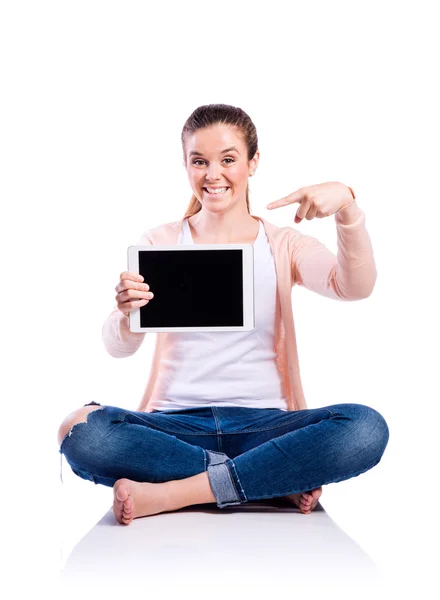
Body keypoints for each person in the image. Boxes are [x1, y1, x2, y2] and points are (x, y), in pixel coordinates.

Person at [58, 103, 390, 526]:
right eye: (200, 161)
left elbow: (355, 287)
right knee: (81, 430)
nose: (213, 174)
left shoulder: (284, 244)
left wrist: (347, 208)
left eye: (228, 159)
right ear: (186, 165)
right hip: (173, 427)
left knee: (365, 428)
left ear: (252, 163)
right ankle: (269, 477)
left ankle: (174, 494)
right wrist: (125, 315)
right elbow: (117, 347)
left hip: (268, 425)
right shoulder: (160, 241)